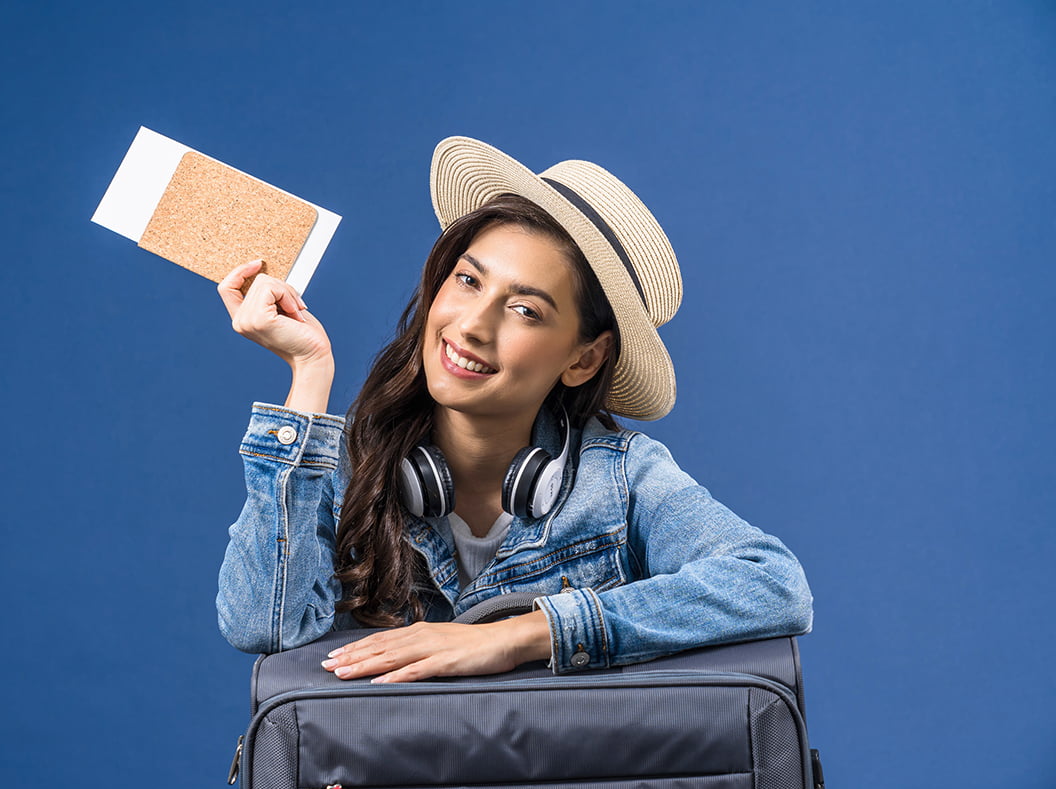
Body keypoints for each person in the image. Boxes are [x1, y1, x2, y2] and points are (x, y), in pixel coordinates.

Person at [215, 136, 812, 683]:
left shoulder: (622, 479)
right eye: (469, 281)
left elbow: (773, 583)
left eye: (526, 310)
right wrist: (310, 372)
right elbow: (265, 627)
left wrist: (523, 635)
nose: (472, 326)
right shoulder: (343, 464)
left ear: (584, 358)